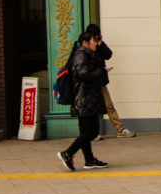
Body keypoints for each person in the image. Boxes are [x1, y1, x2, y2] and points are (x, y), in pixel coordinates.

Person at [57, 26, 110, 171]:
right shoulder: (81, 54)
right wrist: (101, 71)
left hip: (88, 98)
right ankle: (67, 153)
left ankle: (89, 160)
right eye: (94, 40)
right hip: (84, 99)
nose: (96, 43)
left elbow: (108, 54)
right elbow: (84, 75)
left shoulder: (89, 53)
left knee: (86, 132)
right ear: (86, 41)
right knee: (91, 132)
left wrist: (100, 44)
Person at [82, 23, 135, 139]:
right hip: (89, 84)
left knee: (109, 105)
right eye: (94, 36)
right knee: (90, 109)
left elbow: (108, 55)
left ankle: (120, 129)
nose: (96, 39)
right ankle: (91, 133)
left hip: (100, 82)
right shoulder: (83, 46)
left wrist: (100, 45)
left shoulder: (98, 44)